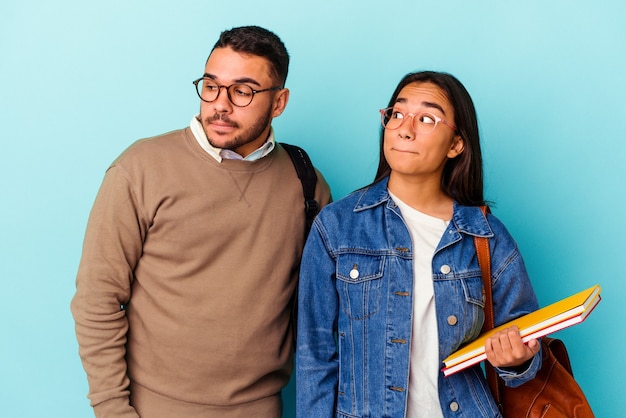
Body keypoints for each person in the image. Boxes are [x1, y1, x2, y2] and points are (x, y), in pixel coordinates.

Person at [71, 25, 331, 418]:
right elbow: (97, 299)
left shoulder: (305, 181)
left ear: (279, 102)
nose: (220, 104)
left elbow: (324, 308)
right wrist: (112, 409)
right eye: (211, 86)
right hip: (151, 407)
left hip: (261, 408)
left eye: (243, 91)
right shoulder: (140, 168)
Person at [295, 71, 541, 417]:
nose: (404, 128)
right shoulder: (337, 226)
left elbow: (528, 343)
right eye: (397, 114)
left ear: (456, 145)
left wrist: (517, 359)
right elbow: (315, 354)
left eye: (426, 118)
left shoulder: (485, 235)